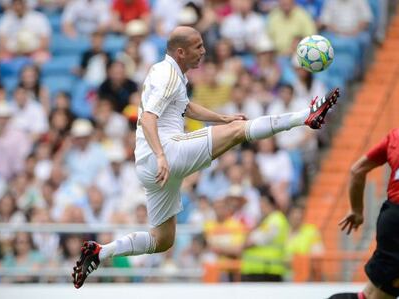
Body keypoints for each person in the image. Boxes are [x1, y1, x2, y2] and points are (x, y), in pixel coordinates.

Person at [71, 25, 339, 288]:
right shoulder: (168, 76)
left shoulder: (167, 71)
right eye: (198, 46)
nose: (204, 51)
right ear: (180, 52)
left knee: (162, 240)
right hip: (166, 153)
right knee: (237, 133)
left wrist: (220, 117)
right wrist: (162, 156)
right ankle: (306, 115)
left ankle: (100, 252)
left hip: (150, 166)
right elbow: (150, 117)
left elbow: (184, 107)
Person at [328, 128, 399, 299]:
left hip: (393, 220)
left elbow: (357, 170)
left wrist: (356, 210)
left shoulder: (395, 136)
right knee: (376, 296)